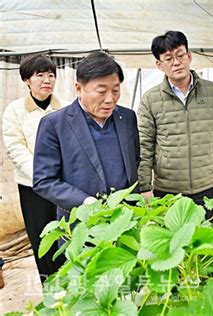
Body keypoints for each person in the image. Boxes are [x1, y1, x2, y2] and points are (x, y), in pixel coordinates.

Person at [137, 31, 213, 217]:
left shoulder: (212, 92)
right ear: (159, 65)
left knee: (205, 241)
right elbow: (144, 146)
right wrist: (144, 187)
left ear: (189, 56)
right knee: (170, 244)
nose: (176, 62)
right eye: (168, 58)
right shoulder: (150, 100)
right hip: (167, 192)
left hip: (205, 187)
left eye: (180, 55)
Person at [33, 52, 140, 220]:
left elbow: (135, 162)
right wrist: (84, 201)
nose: (110, 99)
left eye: (115, 90)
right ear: (78, 89)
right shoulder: (55, 124)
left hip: (125, 218)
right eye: (101, 91)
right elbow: (44, 181)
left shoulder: (127, 118)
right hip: (81, 222)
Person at [2, 55, 65, 281]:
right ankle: (51, 294)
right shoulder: (15, 110)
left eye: (51, 75)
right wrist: (44, 175)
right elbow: (16, 148)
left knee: (65, 237)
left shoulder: (65, 108)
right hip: (33, 187)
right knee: (42, 239)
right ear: (27, 80)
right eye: (40, 75)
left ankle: (71, 291)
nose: (47, 80)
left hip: (62, 186)